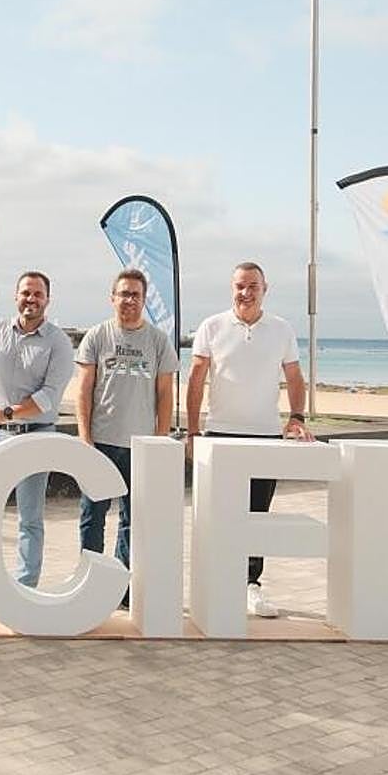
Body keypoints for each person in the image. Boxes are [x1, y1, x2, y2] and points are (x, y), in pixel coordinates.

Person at [186, 261, 313, 619]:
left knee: (257, 517)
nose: (246, 292)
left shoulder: (282, 330)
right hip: (218, 435)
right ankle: (216, 582)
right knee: (217, 515)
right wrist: (193, 431)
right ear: (232, 289)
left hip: (265, 436)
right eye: (240, 286)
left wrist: (297, 418)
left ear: (264, 289)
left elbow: (294, 376)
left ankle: (251, 585)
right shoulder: (212, 327)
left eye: (252, 286)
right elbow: (196, 379)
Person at [0, 271, 74, 615]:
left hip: (36, 436)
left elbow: (50, 397)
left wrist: (5, 412)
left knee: (30, 518)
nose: (31, 299)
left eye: (38, 294)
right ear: (15, 296)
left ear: (47, 300)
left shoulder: (58, 342)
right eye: (26, 293)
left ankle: (23, 591)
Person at [75, 269, 177, 609]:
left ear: (144, 300)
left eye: (135, 294)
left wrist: (160, 441)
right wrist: (85, 438)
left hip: (141, 446)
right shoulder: (97, 336)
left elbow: (165, 394)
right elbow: (84, 390)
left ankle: (122, 588)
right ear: (112, 298)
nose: (129, 300)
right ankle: (89, 583)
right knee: (93, 517)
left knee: (134, 520)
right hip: (102, 442)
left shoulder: (158, 341)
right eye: (123, 294)